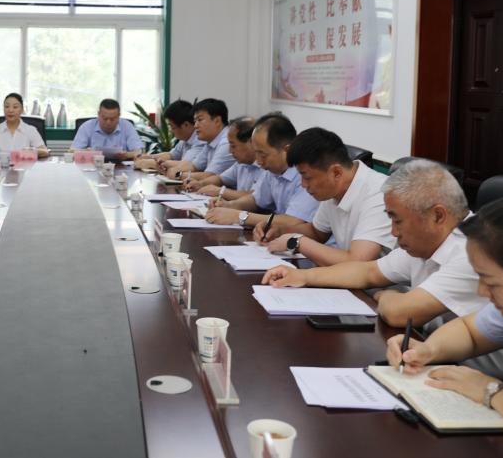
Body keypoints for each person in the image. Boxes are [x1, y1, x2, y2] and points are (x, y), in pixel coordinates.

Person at [386, 194, 503, 458]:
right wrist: (428, 350)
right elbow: (470, 331)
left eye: (491, 283)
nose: (482, 292)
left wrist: (492, 391)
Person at [261, 158, 486, 328]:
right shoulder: (426, 241)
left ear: (437, 216)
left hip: (473, 370)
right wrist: (303, 276)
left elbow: (400, 313)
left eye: (398, 221)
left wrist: (383, 295)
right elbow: (368, 272)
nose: (393, 231)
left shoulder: (470, 253)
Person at [257, 127, 395, 265]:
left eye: (308, 177)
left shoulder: (379, 193)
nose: (303, 184)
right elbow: (316, 232)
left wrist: (297, 242)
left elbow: (356, 261)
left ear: (336, 172)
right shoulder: (334, 189)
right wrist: (280, 230)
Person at [204, 112, 318, 232]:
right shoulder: (272, 170)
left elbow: (293, 221)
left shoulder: (306, 174)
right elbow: (255, 200)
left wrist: (239, 216)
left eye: (263, 155)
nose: (258, 161)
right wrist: (230, 205)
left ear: (286, 150)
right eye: (256, 152)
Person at [185, 116, 261, 198]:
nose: (230, 151)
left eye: (233, 146)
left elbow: (256, 197)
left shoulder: (265, 166)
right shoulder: (241, 164)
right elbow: (221, 179)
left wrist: (220, 191)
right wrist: (200, 184)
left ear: (251, 143)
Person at [173, 99, 236, 182]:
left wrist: (177, 175)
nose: (195, 126)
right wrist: (173, 170)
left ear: (217, 121)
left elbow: (209, 176)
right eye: (195, 121)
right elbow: (194, 166)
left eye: (200, 120)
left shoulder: (226, 143)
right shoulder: (210, 142)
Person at [0, 93, 49, 160]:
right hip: (1, 169)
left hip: (24, 169)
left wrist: (31, 151)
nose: (10, 110)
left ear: (22, 110)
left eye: (15, 107)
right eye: (7, 106)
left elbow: (44, 151)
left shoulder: (30, 130)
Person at [133, 99, 202, 172]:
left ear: (186, 125)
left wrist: (151, 163)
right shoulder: (185, 139)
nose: (171, 131)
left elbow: (186, 166)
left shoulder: (200, 140)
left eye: (172, 127)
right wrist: (147, 157)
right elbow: (171, 155)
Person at [71, 98, 142, 159]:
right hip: (92, 166)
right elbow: (73, 151)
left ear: (118, 116)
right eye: (105, 118)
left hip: (121, 166)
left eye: (112, 119)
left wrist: (126, 155)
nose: (108, 122)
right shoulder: (87, 126)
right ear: (98, 114)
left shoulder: (127, 126)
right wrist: (87, 153)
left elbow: (138, 152)